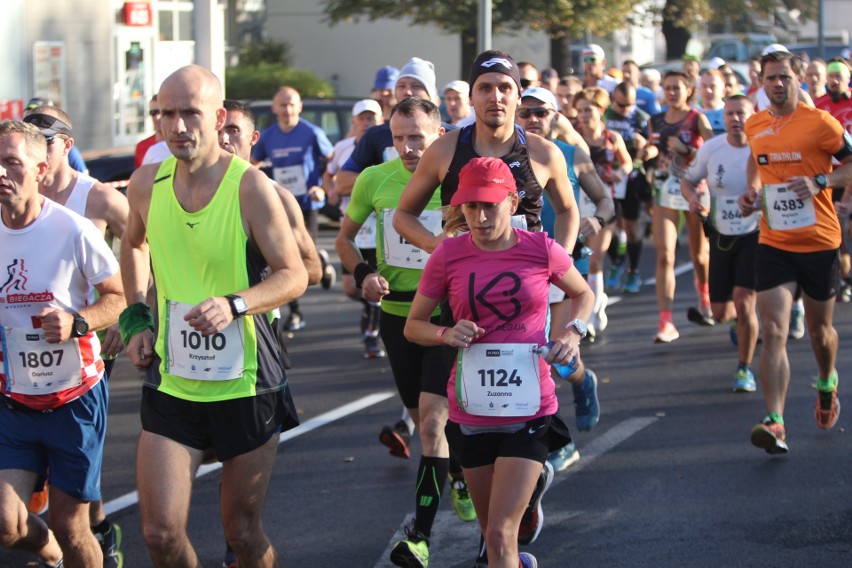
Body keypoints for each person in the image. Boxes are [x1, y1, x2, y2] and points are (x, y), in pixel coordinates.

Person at [393, 50, 582, 557]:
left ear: (519, 96)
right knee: (444, 415)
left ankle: (515, 503)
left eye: (505, 88)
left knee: (522, 409)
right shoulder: (444, 150)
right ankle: (485, 522)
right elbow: (403, 218)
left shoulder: (544, 153)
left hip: (523, 303)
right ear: (471, 96)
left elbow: (568, 211)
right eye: (486, 88)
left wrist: (554, 270)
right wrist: (451, 256)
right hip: (461, 306)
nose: (495, 97)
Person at [120, 65, 308, 567]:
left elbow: (294, 275)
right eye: (166, 115)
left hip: (246, 383)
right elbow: (133, 245)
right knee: (159, 533)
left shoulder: (250, 187)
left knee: (242, 534)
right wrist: (136, 316)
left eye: (190, 113)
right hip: (173, 380)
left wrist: (234, 303)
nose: (177, 126)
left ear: (218, 116)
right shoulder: (144, 185)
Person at [404, 156, 594, 568]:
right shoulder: (448, 255)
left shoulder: (540, 249)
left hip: (530, 405)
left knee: (500, 533)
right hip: (472, 410)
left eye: (490, 204)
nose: (480, 216)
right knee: (490, 536)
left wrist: (572, 333)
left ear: (512, 202)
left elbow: (583, 294)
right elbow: (413, 325)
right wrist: (445, 333)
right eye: (471, 206)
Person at [336, 97, 477, 568]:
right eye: (398, 138)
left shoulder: (459, 181)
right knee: (424, 423)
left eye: (417, 137)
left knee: (433, 424)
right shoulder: (376, 180)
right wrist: (363, 274)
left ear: (440, 133)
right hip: (397, 315)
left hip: (445, 314)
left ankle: (419, 537)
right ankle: (457, 470)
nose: (407, 147)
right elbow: (343, 237)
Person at [0, 120, 125, 568]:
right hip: (14, 400)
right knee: (7, 524)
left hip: (74, 398)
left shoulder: (72, 229)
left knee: (73, 526)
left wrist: (77, 323)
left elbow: (119, 296)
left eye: (12, 162)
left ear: (39, 169)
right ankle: (50, 555)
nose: (1, 172)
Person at [217, 98, 322, 568]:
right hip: (189, 349)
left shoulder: (272, 197)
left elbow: (312, 269)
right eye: (219, 130)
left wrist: (259, 288)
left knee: (237, 465)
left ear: (252, 139)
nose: (224, 140)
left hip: (259, 347)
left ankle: (236, 544)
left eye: (234, 132)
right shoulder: (180, 195)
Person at [740, 49, 852, 455]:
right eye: (771, 78)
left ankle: (826, 382)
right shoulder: (755, 124)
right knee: (773, 330)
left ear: (799, 79)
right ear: (762, 82)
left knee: (821, 333)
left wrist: (822, 180)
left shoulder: (820, 123)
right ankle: (776, 420)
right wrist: (752, 193)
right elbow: (757, 163)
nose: (778, 84)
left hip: (820, 241)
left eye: (785, 77)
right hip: (775, 242)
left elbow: (850, 164)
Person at [516, 86, 612, 442]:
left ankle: (582, 381)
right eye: (525, 113)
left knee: (554, 352)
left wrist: (597, 220)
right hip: (520, 268)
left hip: (564, 264)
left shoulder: (571, 155)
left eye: (541, 113)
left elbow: (604, 199)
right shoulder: (503, 155)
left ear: (555, 117)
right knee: (529, 353)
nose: (533, 120)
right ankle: (544, 439)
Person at [681, 95, 760, 392]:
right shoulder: (712, 149)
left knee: (744, 300)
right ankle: (737, 324)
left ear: (753, 116)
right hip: (721, 235)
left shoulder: (761, 147)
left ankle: (744, 368)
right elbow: (687, 181)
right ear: (723, 118)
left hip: (756, 233)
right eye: (730, 114)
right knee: (721, 312)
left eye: (741, 113)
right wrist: (691, 199)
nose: (735, 118)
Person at [251, 85, 333, 332]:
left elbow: (332, 162)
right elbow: (250, 164)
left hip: (307, 203)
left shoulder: (312, 132)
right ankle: (296, 312)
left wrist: (323, 187)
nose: (287, 109)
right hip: (279, 204)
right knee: (286, 259)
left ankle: (319, 259)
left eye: (291, 104)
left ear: (300, 107)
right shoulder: (268, 136)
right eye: (282, 104)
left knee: (304, 253)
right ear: (275, 108)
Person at [647, 70, 715, 343]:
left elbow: (714, 150)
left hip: (694, 189)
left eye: (677, 87)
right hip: (664, 190)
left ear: (689, 90)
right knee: (666, 255)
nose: (672, 92)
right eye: (667, 87)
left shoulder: (697, 119)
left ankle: (705, 297)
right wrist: (646, 152)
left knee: (699, 256)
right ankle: (666, 322)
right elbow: (654, 148)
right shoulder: (655, 120)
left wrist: (687, 150)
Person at [324, 99, 387, 357]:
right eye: (362, 118)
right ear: (354, 121)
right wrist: (331, 190)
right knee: (351, 287)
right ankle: (376, 309)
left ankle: (370, 333)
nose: (367, 122)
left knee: (372, 285)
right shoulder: (342, 148)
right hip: (351, 226)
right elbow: (331, 176)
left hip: (377, 229)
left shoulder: (386, 146)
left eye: (372, 118)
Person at [573, 87, 632, 340]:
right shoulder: (573, 137)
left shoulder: (612, 137)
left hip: (603, 203)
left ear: (599, 111)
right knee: (578, 261)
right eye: (580, 110)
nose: (584, 115)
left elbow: (627, 162)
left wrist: (618, 174)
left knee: (595, 260)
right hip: (577, 202)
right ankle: (593, 303)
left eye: (589, 109)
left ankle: (593, 316)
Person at [602, 82, 653, 294]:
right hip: (608, 176)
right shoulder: (604, 115)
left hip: (631, 176)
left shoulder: (641, 118)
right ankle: (616, 261)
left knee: (632, 227)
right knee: (608, 225)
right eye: (623, 105)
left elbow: (654, 146)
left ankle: (633, 270)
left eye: (631, 104)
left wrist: (646, 148)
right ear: (614, 99)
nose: (627, 109)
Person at [814, 58, 852, 303]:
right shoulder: (819, 106)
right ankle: (845, 279)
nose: (834, 79)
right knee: (836, 231)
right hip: (831, 177)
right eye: (831, 75)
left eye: (839, 75)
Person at [23, 98, 87, 174]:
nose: (36, 147)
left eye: (46, 140)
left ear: (67, 146)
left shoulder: (71, 152)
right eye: (28, 140)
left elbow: (83, 175)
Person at [135, 95, 162, 169]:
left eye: (161, 112)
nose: (157, 117)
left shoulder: (178, 144)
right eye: (153, 113)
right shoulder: (142, 147)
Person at [699, 70, 727, 135]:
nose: (708, 90)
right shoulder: (693, 115)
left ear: (723, 92)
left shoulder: (730, 114)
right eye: (704, 86)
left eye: (713, 87)